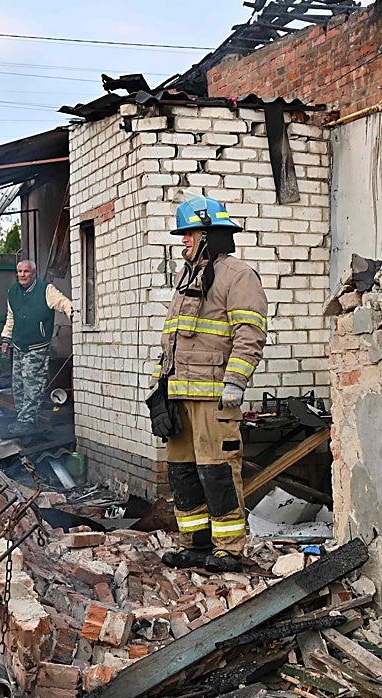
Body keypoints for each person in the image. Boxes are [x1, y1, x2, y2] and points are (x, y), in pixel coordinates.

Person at [154, 196, 267, 573]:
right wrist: (159, 392)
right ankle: (195, 545)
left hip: (214, 399)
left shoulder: (238, 276)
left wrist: (236, 380)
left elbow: (250, 333)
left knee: (217, 473)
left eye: (188, 233)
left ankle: (229, 549)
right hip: (179, 398)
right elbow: (172, 342)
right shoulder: (189, 279)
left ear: (208, 234)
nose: (183, 241)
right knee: (183, 473)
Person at [0, 259, 74, 435]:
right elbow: (11, 318)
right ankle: (22, 419)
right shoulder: (13, 292)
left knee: (32, 384)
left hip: (37, 346)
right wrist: (6, 339)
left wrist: (72, 312)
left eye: (26, 272)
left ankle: (27, 423)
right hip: (18, 345)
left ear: (33, 274)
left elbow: (63, 302)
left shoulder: (45, 290)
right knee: (18, 385)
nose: (23, 275)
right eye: (20, 272)